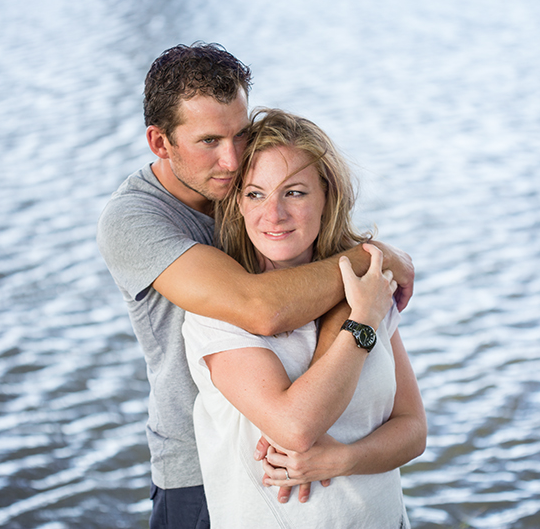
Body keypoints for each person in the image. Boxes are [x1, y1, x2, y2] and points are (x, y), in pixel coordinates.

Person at [96, 43, 415, 528]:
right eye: (208, 141)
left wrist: (334, 449)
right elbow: (261, 307)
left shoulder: (256, 197)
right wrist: (375, 258)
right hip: (199, 467)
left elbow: (408, 425)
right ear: (160, 143)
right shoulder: (135, 220)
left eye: (241, 134)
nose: (231, 159)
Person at [182, 108, 426, 528]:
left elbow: (413, 430)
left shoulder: (367, 284)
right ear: (238, 202)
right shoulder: (219, 310)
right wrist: (363, 322)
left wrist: (343, 459)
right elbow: (295, 427)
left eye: (293, 192)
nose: (272, 214)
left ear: (327, 196)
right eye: (256, 193)